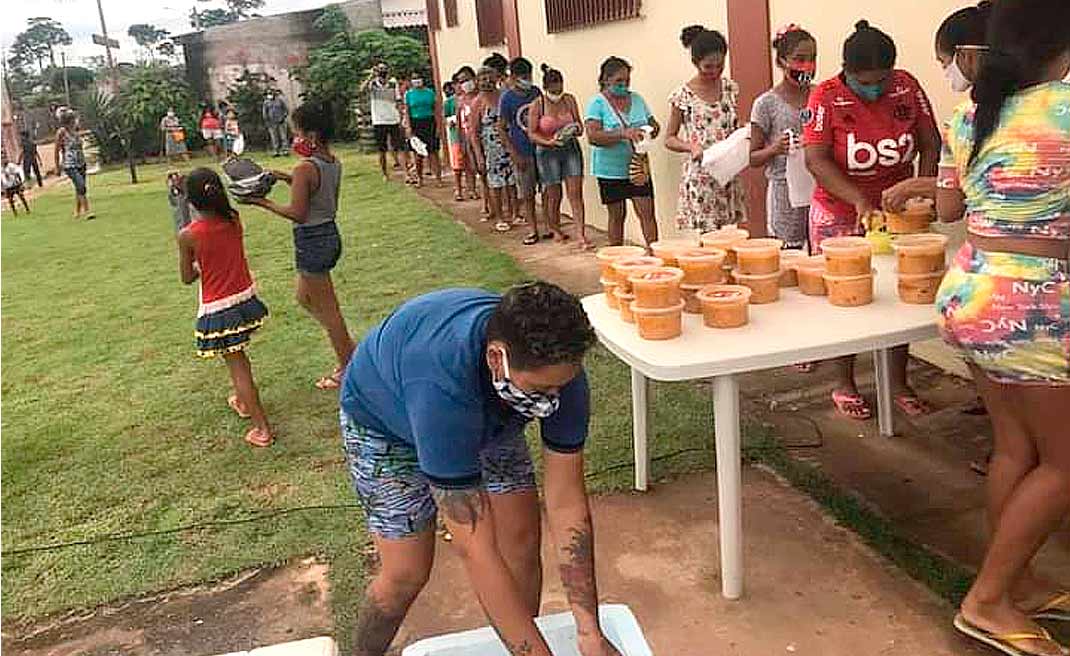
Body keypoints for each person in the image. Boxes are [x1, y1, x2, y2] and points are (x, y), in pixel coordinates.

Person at [340, 282, 623, 656]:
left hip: (491, 408)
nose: (553, 401)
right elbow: (476, 551)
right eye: (541, 389)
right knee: (405, 573)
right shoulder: (442, 389)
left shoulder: (559, 372)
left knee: (521, 539)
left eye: (560, 387)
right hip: (385, 422)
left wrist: (590, 633)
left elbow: (566, 501)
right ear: (496, 358)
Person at [934, 1, 1070, 654]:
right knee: (1066, 464)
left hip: (971, 290)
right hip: (1033, 307)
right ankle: (988, 599)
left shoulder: (975, 110)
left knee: (1017, 449)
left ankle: (1017, 584)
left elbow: (948, 203)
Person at [803, 20, 941, 420]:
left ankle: (898, 381)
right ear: (846, 71)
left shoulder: (906, 86)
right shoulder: (825, 96)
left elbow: (930, 143)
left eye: (882, 80)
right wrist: (859, 201)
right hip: (840, 207)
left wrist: (922, 187)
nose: (875, 89)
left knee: (903, 293)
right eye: (866, 82)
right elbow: (816, 159)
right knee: (846, 299)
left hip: (900, 211)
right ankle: (844, 382)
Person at [240, 101, 355, 391]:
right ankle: (346, 346)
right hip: (328, 234)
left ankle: (348, 366)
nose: (296, 138)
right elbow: (314, 190)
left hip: (312, 240)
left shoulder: (305, 167)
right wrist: (282, 177)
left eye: (299, 133)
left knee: (330, 311)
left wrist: (260, 201)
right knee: (304, 298)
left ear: (312, 136)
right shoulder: (331, 161)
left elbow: (298, 213)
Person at [177, 168, 272, 447]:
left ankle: (262, 429)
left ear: (191, 201)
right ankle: (243, 401)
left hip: (219, 307)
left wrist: (199, 264)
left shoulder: (188, 235)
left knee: (238, 366)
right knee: (239, 357)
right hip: (244, 298)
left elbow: (186, 277)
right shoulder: (233, 219)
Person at [882, 1, 993, 212]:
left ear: (966, 56)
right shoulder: (1057, 104)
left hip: (987, 242)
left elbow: (949, 210)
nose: (945, 71)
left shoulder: (964, 121)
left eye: (944, 62)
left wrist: (917, 186)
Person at [665, 25, 747, 233]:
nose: (715, 72)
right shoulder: (683, 96)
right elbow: (669, 138)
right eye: (708, 67)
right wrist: (691, 147)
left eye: (720, 66)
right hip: (702, 176)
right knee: (709, 238)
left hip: (728, 173)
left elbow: (737, 124)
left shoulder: (731, 88)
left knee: (731, 235)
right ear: (696, 63)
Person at [749, 25, 817, 249]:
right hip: (785, 196)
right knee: (790, 256)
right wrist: (775, 149)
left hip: (822, 190)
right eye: (799, 59)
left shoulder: (821, 96)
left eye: (812, 58)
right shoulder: (766, 104)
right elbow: (753, 158)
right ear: (781, 61)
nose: (807, 66)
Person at [585, 56, 660, 248]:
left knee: (647, 211)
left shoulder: (637, 99)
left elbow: (654, 124)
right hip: (610, 169)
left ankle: (654, 253)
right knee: (617, 215)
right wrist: (622, 134)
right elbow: (593, 136)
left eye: (627, 81)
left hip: (638, 166)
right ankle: (617, 254)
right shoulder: (597, 103)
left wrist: (649, 131)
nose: (623, 85)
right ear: (606, 80)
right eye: (619, 81)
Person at [529, 64, 588, 249]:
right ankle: (554, 227)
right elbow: (532, 132)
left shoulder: (569, 100)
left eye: (560, 87)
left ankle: (581, 233)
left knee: (575, 192)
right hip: (547, 150)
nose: (558, 92)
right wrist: (548, 142)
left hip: (569, 147)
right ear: (546, 88)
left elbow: (579, 123)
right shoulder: (538, 104)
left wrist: (576, 129)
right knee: (553, 193)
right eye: (554, 89)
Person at [499, 57, 550, 245]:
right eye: (522, 76)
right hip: (522, 151)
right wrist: (514, 154)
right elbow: (501, 128)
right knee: (527, 194)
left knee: (546, 190)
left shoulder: (536, 93)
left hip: (541, 149)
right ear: (512, 77)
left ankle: (548, 226)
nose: (526, 79)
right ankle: (532, 229)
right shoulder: (507, 99)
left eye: (528, 75)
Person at [470, 66, 516, 234]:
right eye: (482, 79)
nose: (487, 81)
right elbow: (473, 133)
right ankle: (500, 217)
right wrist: (478, 156)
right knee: (495, 183)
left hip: (509, 144)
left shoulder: (504, 96)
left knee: (512, 181)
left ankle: (515, 213)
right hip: (491, 148)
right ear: (477, 82)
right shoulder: (477, 102)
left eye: (489, 77)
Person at [363, 62, 410, 182]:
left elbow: (399, 101)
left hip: (393, 119)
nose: (382, 73)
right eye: (380, 70)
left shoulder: (393, 84)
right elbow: (362, 90)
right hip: (379, 121)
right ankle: (385, 173)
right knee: (381, 150)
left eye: (384, 70)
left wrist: (402, 117)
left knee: (400, 148)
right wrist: (370, 76)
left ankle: (406, 173)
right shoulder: (373, 84)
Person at [456, 65, 489, 213]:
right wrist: (461, 142)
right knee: (474, 170)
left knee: (486, 173)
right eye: (462, 81)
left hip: (483, 139)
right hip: (468, 140)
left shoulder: (481, 98)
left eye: (467, 79)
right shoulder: (461, 101)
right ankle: (481, 198)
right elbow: (459, 123)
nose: (465, 84)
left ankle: (491, 203)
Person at [404, 71, 442, 188]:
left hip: (429, 121)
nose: (417, 80)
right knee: (418, 154)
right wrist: (409, 127)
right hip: (416, 123)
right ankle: (420, 178)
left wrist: (439, 126)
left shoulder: (430, 93)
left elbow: (436, 110)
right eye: (414, 78)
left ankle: (438, 178)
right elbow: (407, 111)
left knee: (433, 152)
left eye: (419, 78)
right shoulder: (409, 94)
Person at [54, 110, 93, 221]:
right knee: (81, 185)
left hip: (81, 162)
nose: (74, 121)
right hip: (70, 164)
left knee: (79, 188)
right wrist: (57, 167)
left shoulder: (76, 130)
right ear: (67, 121)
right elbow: (56, 150)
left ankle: (77, 211)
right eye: (72, 119)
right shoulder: (61, 132)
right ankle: (87, 211)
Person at [443, 79, 472, 201]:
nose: (460, 86)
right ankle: (458, 189)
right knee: (458, 166)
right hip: (456, 137)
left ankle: (472, 189)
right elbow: (445, 119)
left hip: (469, 136)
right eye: (457, 83)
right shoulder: (449, 102)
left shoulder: (469, 100)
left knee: (470, 165)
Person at [262, 90, 291, 157]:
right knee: (274, 138)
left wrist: (283, 117)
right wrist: (267, 121)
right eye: (268, 94)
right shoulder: (266, 102)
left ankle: (285, 151)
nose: (270, 95)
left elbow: (286, 110)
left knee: (283, 137)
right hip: (271, 123)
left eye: (271, 94)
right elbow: (265, 112)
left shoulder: (280, 100)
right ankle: (276, 151)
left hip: (281, 122)